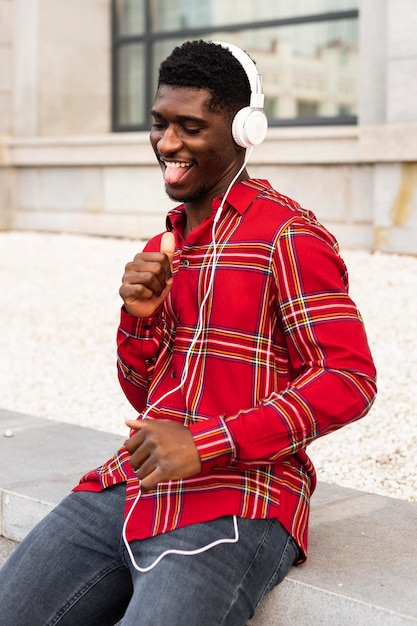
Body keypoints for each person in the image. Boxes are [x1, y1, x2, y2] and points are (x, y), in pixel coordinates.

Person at [0, 40, 377, 625]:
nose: (168, 144)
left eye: (191, 126)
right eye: (160, 124)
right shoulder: (163, 249)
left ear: (244, 130)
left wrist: (204, 443)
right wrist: (138, 315)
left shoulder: (288, 237)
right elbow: (143, 394)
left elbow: (348, 379)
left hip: (241, 502)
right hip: (130, 488)